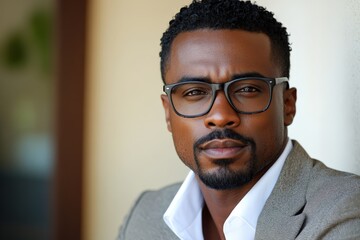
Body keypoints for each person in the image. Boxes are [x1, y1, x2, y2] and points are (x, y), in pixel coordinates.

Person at [118, 0, 360, 239]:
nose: (221, 117)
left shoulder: (345, 213)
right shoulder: (143, 216)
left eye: (247, 89)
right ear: (168, 113)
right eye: (194, 92)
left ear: (287, 104)